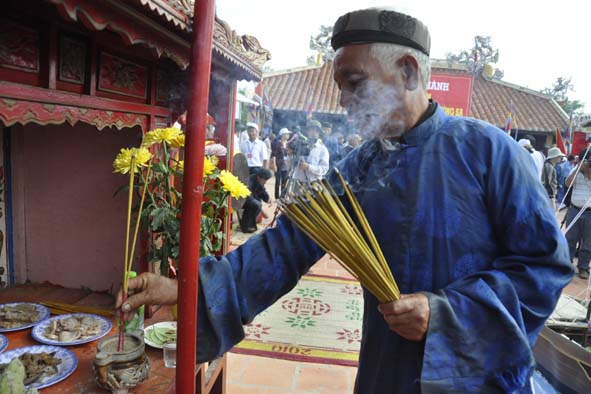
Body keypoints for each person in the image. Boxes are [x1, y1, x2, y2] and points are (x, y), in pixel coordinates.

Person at [117, 7, 572, 393]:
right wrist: (186, 289)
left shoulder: (489, 152)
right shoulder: (360, 167)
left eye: (355, 83)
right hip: (386, 369)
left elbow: (545, 267)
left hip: (476, 376)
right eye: (341, 85)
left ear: (409, 71)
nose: (343, 99)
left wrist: (446, 313)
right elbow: (287, 244)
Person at [565, 148, 591, 279]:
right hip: (574, 209)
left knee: (588, 242)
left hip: (590, 213)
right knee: (570, 238)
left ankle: (584, 267)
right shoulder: (576, 171)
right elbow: (567, 183)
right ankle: (567, 264)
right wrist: (579, 168)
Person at [239, 168, 272, 233]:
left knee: (257, 203)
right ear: (259, 177)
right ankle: (246, 226)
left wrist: (268, 199)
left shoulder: (259, 181)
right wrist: (261, 209)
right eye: (264, 180)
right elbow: (247, 197)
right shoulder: (249, 181)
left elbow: (262, 191)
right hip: (241, 200)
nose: (265, 182)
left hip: (250, 199)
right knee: (256, 204)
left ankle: (250, 225)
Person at [270, 128, 291, 199]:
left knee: (284, 182)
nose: (288, 135)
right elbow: (274, 155)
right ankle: (276, 197)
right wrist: (274, 165)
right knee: (278, 182)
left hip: (286, 166)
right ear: (283, 135)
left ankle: (282, 196)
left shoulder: (288, 144)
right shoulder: (277, 144)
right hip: (279, 165)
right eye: (287, 134)